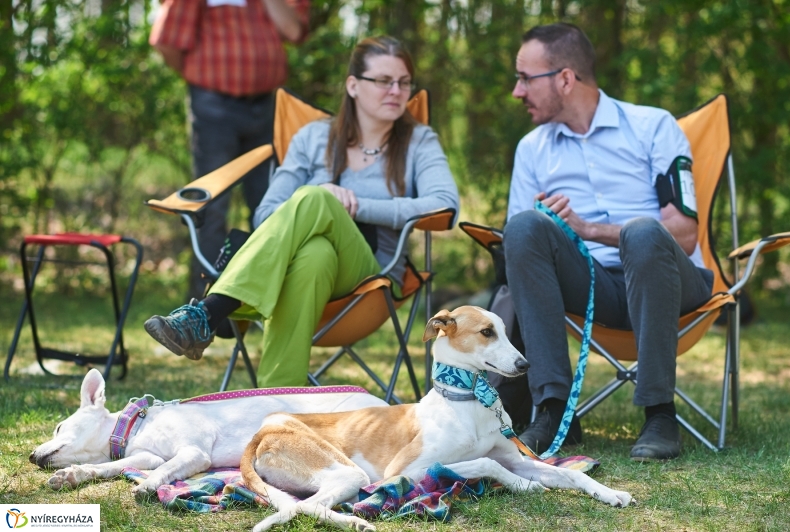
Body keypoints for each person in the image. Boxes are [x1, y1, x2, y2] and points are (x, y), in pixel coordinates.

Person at [144, 36, 460, 388]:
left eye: (404, 83)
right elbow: (265, 214)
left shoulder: (419, 140)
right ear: (353, 85)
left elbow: (445, 204)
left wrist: (351, 204)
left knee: (316, 197)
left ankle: (211, 311)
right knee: (314, 253)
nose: (396, 91)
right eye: (384, 81)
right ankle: (279, 402)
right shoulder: (312, 138)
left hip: (371, 276)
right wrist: (320, 200)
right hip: (302, 270)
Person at [503, 23, 713, 460]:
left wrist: (590, 229)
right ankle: (554, 411)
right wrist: (551, 231)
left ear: (564, 78)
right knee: (523, 227)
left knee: (642, 232)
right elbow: (519, 247)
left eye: (526, 78)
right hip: (591, 285)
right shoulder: (531, 149)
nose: (516, 92)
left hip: (670, 283)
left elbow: (685, 232)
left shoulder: (653, 126)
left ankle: (659, 413)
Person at [149, 0, 310, 299]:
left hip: (268, 106)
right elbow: (166, 40)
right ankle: (204, 311)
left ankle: (262, 303)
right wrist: (199, 76)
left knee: (271, 207)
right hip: (213, 105)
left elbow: (294, 30)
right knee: (210, 209)